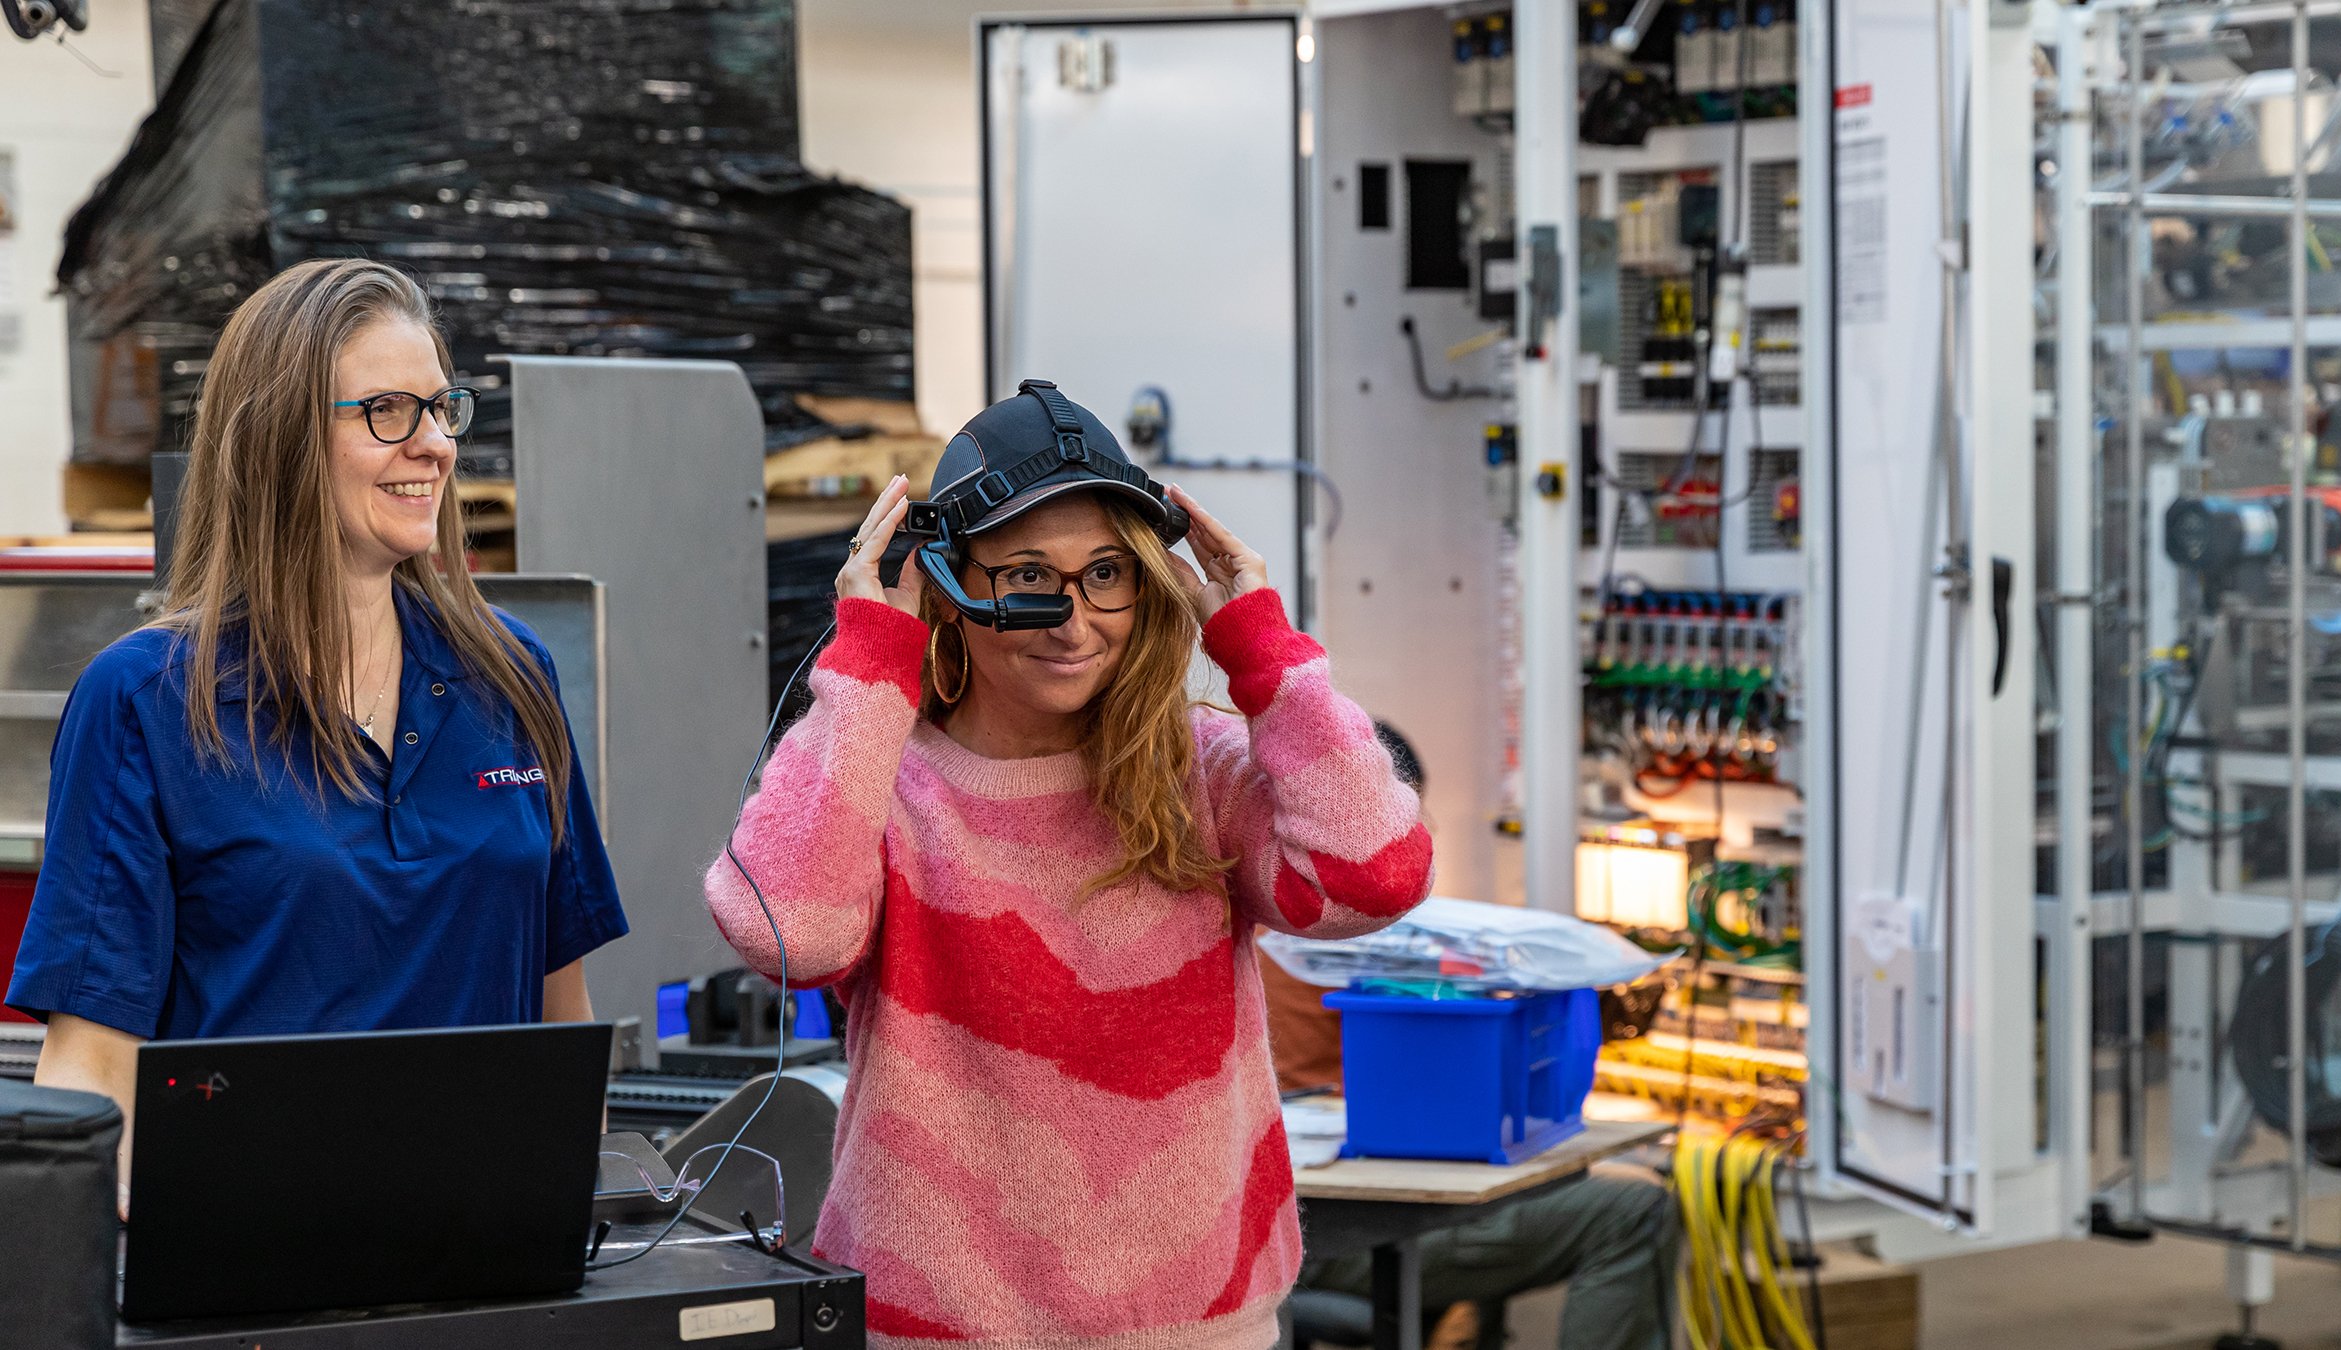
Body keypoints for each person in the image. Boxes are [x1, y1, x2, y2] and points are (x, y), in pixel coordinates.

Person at [704, 381, 1435, 1348]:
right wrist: (873, 657)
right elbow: (784, 929)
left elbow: (1374, 875)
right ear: (951, 589)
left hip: (1199, 1330)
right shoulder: (886, 780)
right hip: (935, 1334)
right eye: (1027, 578)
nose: (1072, 619)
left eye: (1104, 574)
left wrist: (1263, 645)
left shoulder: (1202, 776)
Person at [8, 260, 627, 1200]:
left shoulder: (510, 676)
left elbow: (562, 1023)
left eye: (441, 408)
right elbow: (92, 1069)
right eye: (387, 411)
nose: (433, 446)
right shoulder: (146, 700)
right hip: (250, 1274)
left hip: (486, 1258)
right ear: (279, 440)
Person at [1265, 723, 1679, 1350]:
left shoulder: (1250, 913)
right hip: (1352, 1234)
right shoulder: (1376, 935)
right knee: (1634, 1210)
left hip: (1278, 1232)